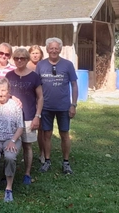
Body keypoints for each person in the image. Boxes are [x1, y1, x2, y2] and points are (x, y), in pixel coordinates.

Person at [35, 37, 78, 174]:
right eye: (51, 48)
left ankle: (66, 163)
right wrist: (37, 106)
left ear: (60, 49)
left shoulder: (68, 65)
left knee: (64, 134)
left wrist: (73, 104)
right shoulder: (40, 65)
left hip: (63, 107)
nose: (54, 50)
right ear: (47, 50)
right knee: (46, 134)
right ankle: (47, 161)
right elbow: (36, 86)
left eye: (56, 48)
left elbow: (74, 85)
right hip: (46, 107)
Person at [5, 48, 43, 185]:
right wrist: (12, 96)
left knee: (27, 146)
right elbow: (3, 92)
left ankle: (27, 173)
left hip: (28, 116)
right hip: (11, 117)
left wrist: (37, 116)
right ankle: (8, 172)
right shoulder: (9, 75)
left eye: (22, 58)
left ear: (27, 59)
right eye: (16, 58)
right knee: (8, 144)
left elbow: (40, 97)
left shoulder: (34, 76)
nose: (19, 60)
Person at [27, 45, 45, 163]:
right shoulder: (26, 66)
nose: (35, 55)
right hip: (29, 100)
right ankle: (27, 152)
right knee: (29, 128)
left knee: (42, 128)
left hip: (41, 98)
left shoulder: (44, 65)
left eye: (37, 53)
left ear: (41, 55)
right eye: (33, 53)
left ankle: (42, 153)